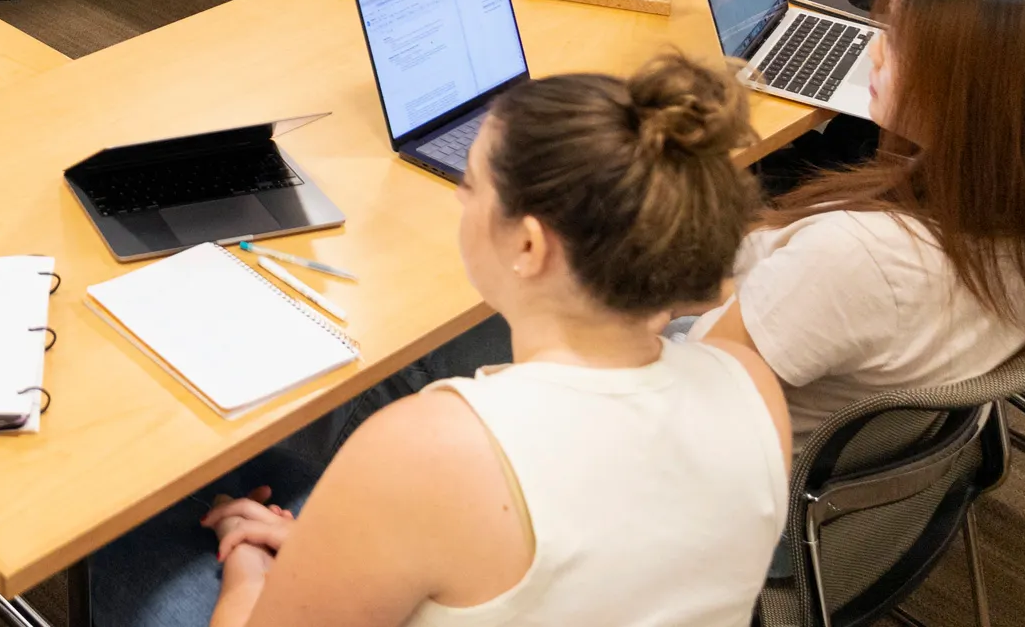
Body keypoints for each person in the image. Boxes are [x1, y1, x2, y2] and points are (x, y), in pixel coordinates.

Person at [95, 54, 789, 627]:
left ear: (527, 242)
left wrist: (249, 566)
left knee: (124, 537)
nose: (458, 199)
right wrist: (327, 555)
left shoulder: (433, 447)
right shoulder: (752, 386)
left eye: (472, 183)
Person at [699, 0, 1025, 451]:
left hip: (730, 456)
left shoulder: (857, 258)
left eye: (897, 40)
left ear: (973, 92)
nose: (873, 52)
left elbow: (697, 403)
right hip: (824, 431)